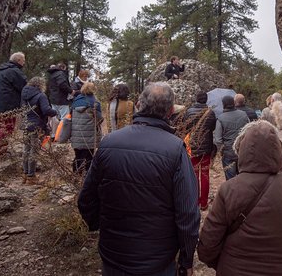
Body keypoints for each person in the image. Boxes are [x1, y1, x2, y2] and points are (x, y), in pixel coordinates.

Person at [78, 82, 200, 276]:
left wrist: (101, 226)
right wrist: (186, 260)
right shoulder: (176, 149)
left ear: (139, 105)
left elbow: (86, 199)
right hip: (157, 259)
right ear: (170, 112)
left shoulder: (109, 142)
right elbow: (187, 214)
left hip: (114, 254)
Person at [197, 120, 282, 275]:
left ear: (241, 150)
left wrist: (222, 264)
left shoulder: (229, 189)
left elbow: (208, 244)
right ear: (278, 150)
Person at [183, 91, 217, 210]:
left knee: (194, 174)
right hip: (206, 146)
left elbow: (185, 127)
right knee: (205, 174)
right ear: (206, 100)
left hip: (192, 146)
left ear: (196, 99)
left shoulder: (189, 112)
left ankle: (196, 201)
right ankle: (204, 203)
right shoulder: (210, 112)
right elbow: (212, 128)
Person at [20, 76, 57, 184]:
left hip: (26, 124)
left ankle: (25, 174)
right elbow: (46, 110)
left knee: (26, 149)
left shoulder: (24, 94)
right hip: (37, 126)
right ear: (41, 85)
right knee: (34, 150)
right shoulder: (41, 95)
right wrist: (54, 112)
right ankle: (31, 176)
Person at [0, 52, 27, 157]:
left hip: (0, 104)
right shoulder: (14, 71)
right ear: (19, 60)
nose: (24, 62)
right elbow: (24, 86)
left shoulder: (2, 70)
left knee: (1, 127)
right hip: (8, 105)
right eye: (23, 60)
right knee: (7, 128)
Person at [70, 82, 103, 174]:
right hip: (89, 136)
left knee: (78, 155)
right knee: (89, 157)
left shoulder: (75, 101)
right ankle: (87, 176)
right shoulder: (95, 103)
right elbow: (99, 119)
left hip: (76, 135)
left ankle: (76, 175)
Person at [214, 95, 250, 180]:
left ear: (223, 105)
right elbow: (249, 130)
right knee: (243, 177)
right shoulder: (244, 115)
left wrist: (222, 151)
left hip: (228, 152)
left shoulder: (220, 118)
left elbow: (218, 140)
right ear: (234, 103)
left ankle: (233, 193)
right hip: (242, 150)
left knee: (231, 179)